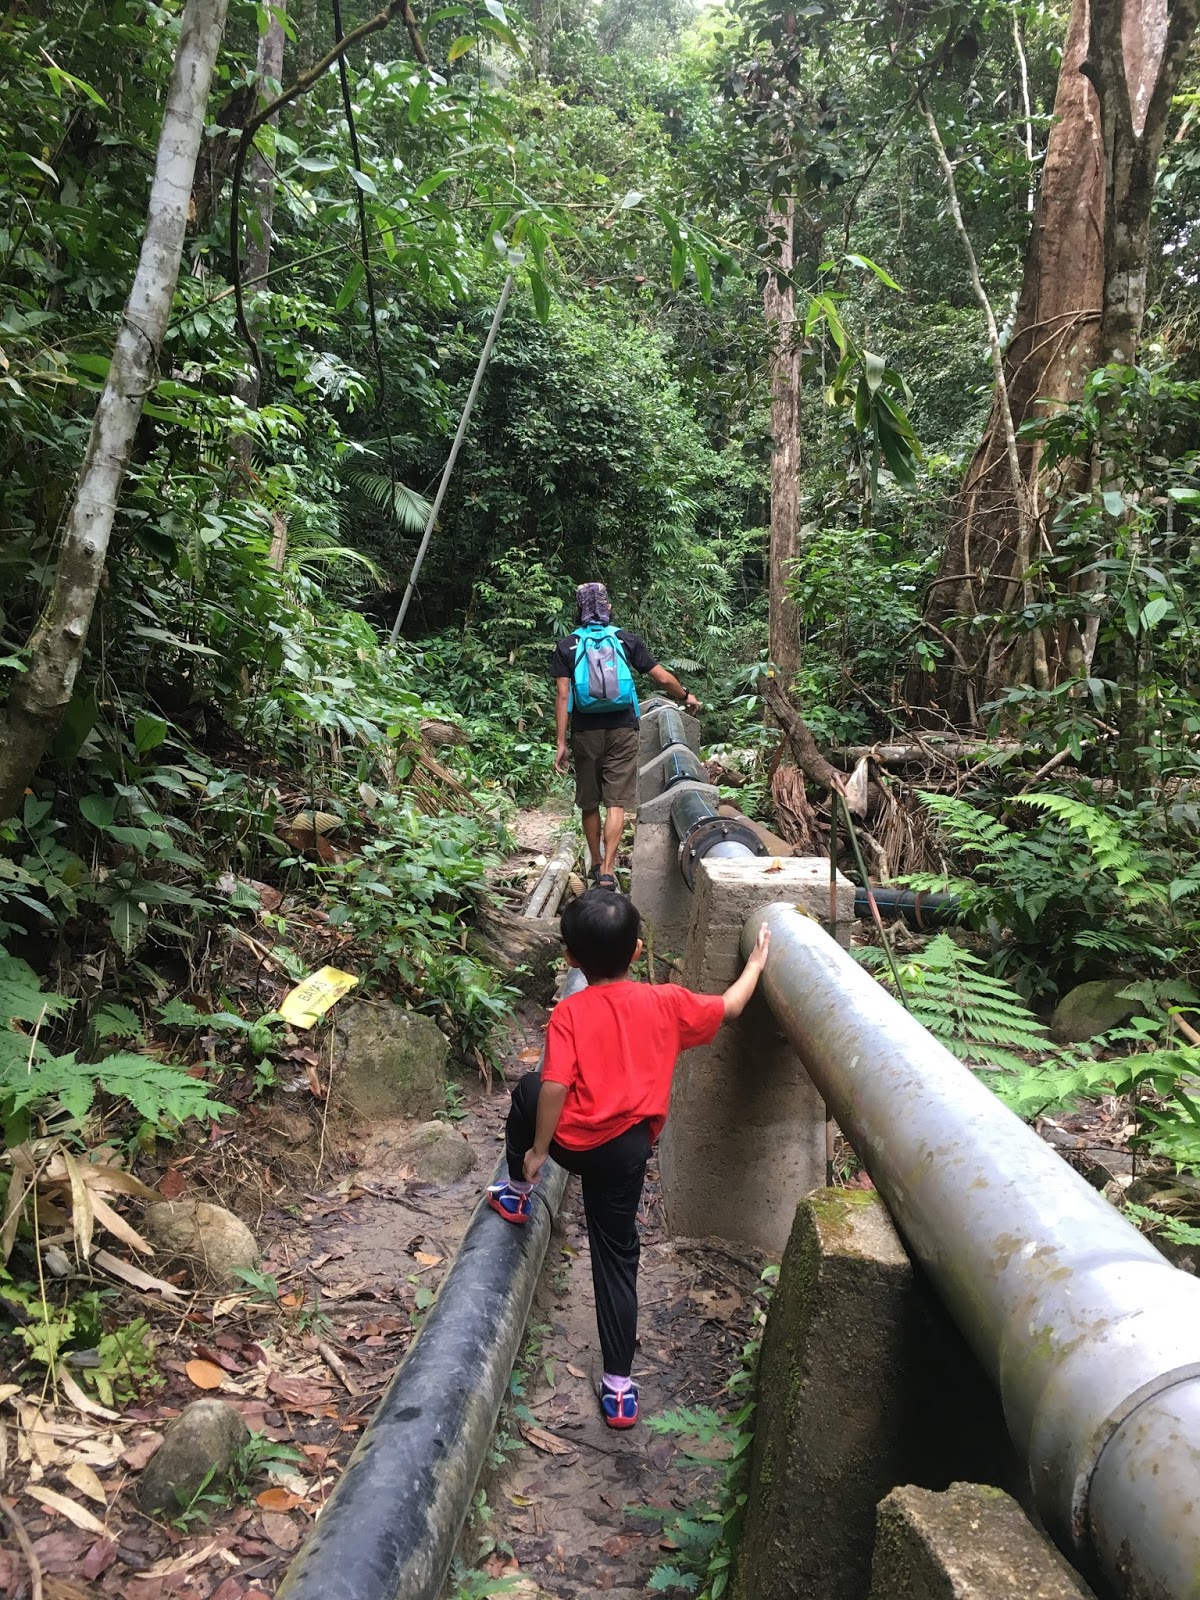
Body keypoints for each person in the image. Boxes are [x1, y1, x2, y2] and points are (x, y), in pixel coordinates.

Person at [485, 889, 771, 1429]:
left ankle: (517, 1196)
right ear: (638, 951)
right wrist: (755, 962)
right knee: (616, 1256)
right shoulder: (666, 1001)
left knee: (525, 1092)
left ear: (569, 958)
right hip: (626, 1152)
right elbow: (731, 1007)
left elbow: (552, 1087)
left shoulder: (570, 1012)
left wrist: (539, 1152)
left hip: (572, 1143)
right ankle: (619, 1386)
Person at [552, 582, 699, 889]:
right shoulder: (624, 639)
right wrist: (685, 696)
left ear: (578, 610)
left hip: (585, 731)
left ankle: (594, 862)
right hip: (623, 728)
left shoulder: (567, 646)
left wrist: (561, 743)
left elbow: (563, 696)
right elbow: (661, 677)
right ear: (608, 609)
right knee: (615, 803)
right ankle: (608, 870)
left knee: (589, 802)